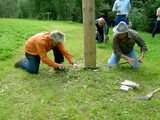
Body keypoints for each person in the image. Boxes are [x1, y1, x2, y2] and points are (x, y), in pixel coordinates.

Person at [14, 30, 79, 74]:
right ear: (51, 40)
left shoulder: (56, 40)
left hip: (40, 48)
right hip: (31, 51)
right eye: (57, 43)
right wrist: (56, 65)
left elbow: (64, 51)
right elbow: (44, 58)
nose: (59, 43)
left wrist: (73, 63)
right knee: (33, 71)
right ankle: (22, 62)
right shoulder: (41, 41)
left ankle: (58, 68)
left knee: (58, 48)